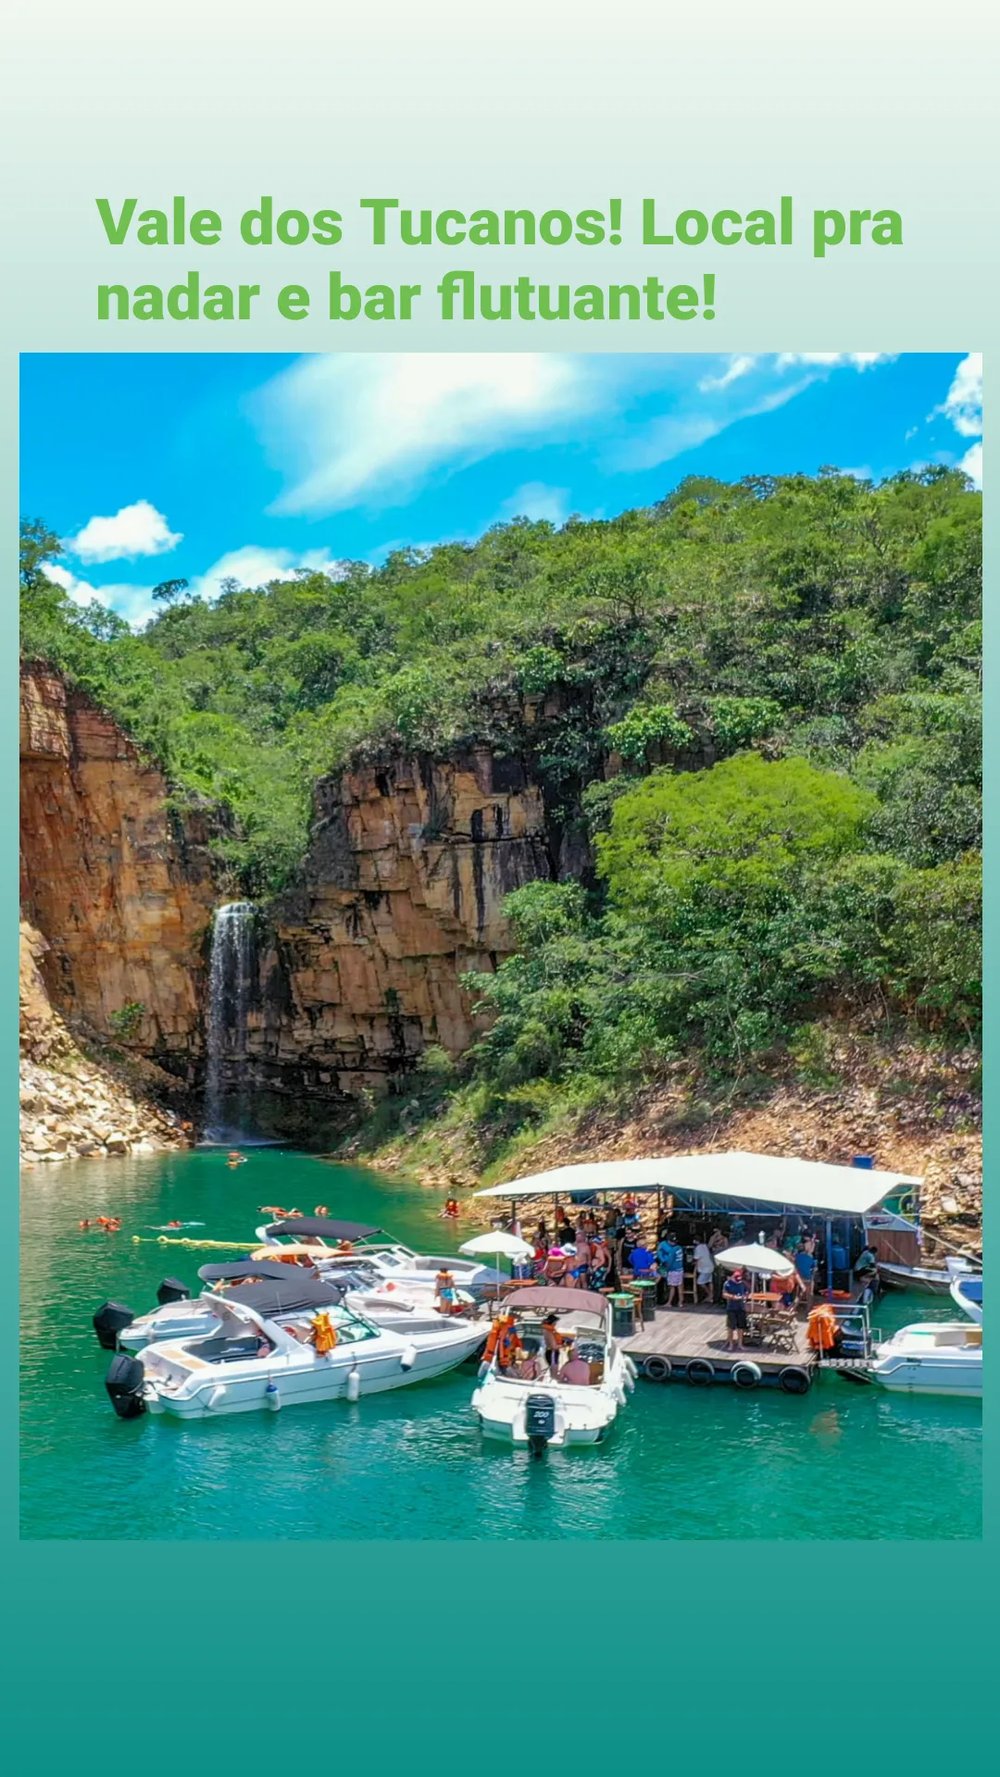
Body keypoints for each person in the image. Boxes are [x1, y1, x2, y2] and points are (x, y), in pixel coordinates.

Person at [723, 1268, 750, 1351]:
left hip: (741, 1307)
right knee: (731, 1327)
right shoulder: (727, 1284)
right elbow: (724, 1294)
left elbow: (746, 1292)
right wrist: (733, 1297)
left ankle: (740, 1344)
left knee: (740, 1327)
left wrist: (745, 1296)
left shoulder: (742, 1284)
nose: (738, 1280)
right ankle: (730, 1344)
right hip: (731, 1308)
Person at [658, 1233, 684, 1308]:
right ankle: (680, 1302)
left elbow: (669, 1262)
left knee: (672, 1287)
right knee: (679, 1286)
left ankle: (669, 1302)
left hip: (673, 1270)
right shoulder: (679, 1248)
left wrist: (666, 1269)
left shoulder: (672, 1251)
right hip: (680, 1269)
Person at [693, 1238, 715, 1304]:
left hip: (705, 1268)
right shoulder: (705, 1246)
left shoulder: (698, 1248)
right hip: (710, 1266)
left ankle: (710, 1295)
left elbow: (696, 1258)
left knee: (700, 1282)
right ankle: (711, 1298)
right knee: (709, 1281)